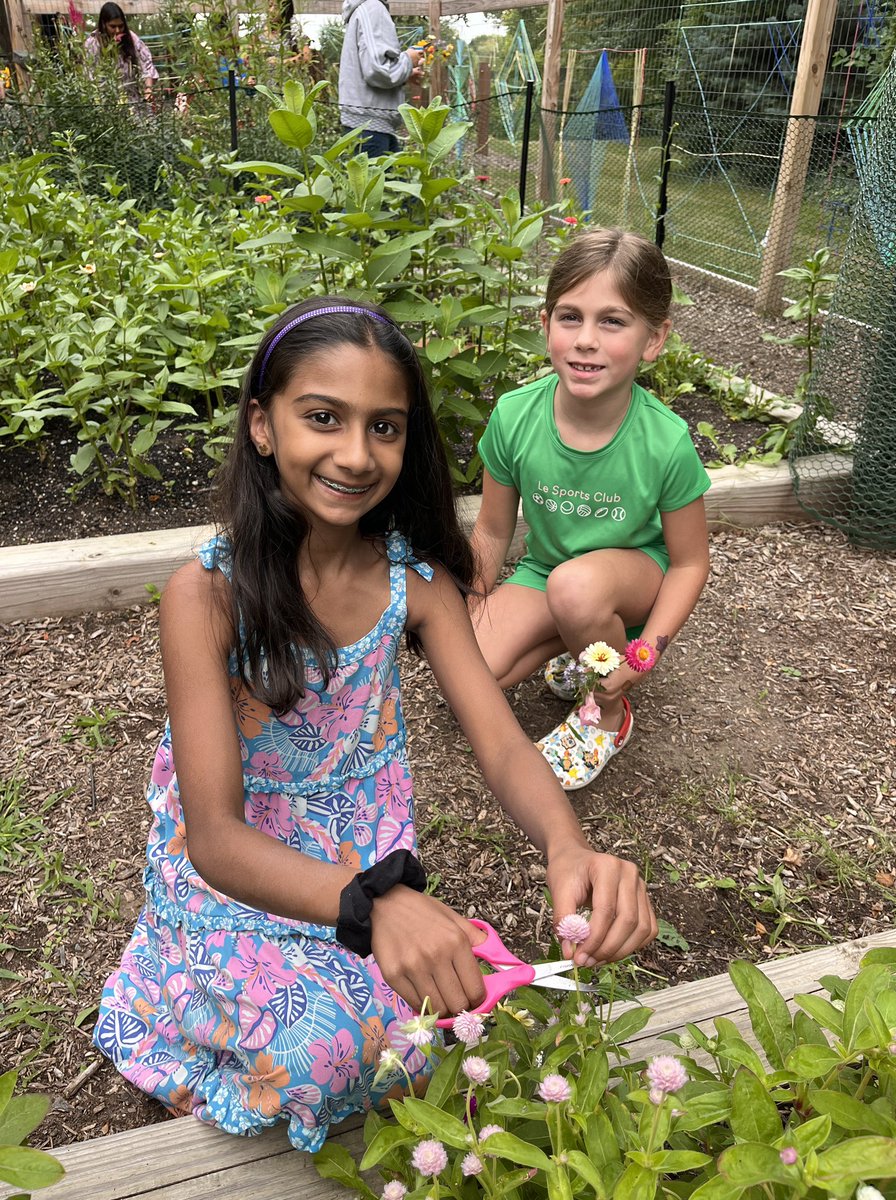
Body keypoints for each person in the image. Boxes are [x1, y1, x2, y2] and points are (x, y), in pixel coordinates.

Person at [93, 298, 656, 1152]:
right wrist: (374, 907)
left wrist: (567, 847)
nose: (356, 455)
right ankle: (167, 1015)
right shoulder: (204, 597)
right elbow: (212, 834)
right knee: (335, 1051)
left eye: (384, 427)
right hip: (239, 884)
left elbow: (500, 742)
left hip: (364, 871)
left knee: (444, 1014)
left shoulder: (417, 585)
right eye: (323, 417)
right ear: (262, 426)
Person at [470, 228, 711, 791]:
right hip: (548, 574)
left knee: (576, 588)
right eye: (570, 317)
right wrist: (467, 609)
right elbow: (491, 527)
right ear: (546, 325)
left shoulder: (665, 442)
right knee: (471, 672)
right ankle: (583, 647)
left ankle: (608, 712)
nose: (585, 340)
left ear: (654, 339)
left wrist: (647, 651)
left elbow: (689, 564)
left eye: (613, 321)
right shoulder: (513, 416)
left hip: (633, 576)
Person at [338, 0, 424, 157]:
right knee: (383, 180)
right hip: (370, 127)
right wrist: (408, 59)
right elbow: (379, 70)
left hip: (368, 122)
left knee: (391, 180)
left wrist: (405, 74)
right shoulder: (373, 8)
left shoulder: (364, 8)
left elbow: (369, 67)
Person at [84, 2, 158, 103]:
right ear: (103, 24)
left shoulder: (132, 39)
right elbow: (89, 75)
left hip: (133, 101)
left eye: (121, 26)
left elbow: (147, 66)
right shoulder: (92, 44)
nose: (117, 30)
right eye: (113, 26)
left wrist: (148, 89)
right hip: (106, 103)